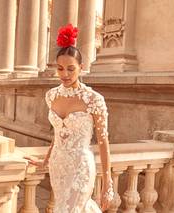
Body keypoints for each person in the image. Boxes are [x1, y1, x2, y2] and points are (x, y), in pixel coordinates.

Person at [24, 24, 114, 212]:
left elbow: (104, 142)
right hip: (58, 166)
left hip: (81, 167)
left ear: (81, 68)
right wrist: (45, 160)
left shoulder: (94, 99)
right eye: (60, 68)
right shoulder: (51, 96)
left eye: (71, 69)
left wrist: (108, 184)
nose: (65, 74)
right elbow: (58, 134)